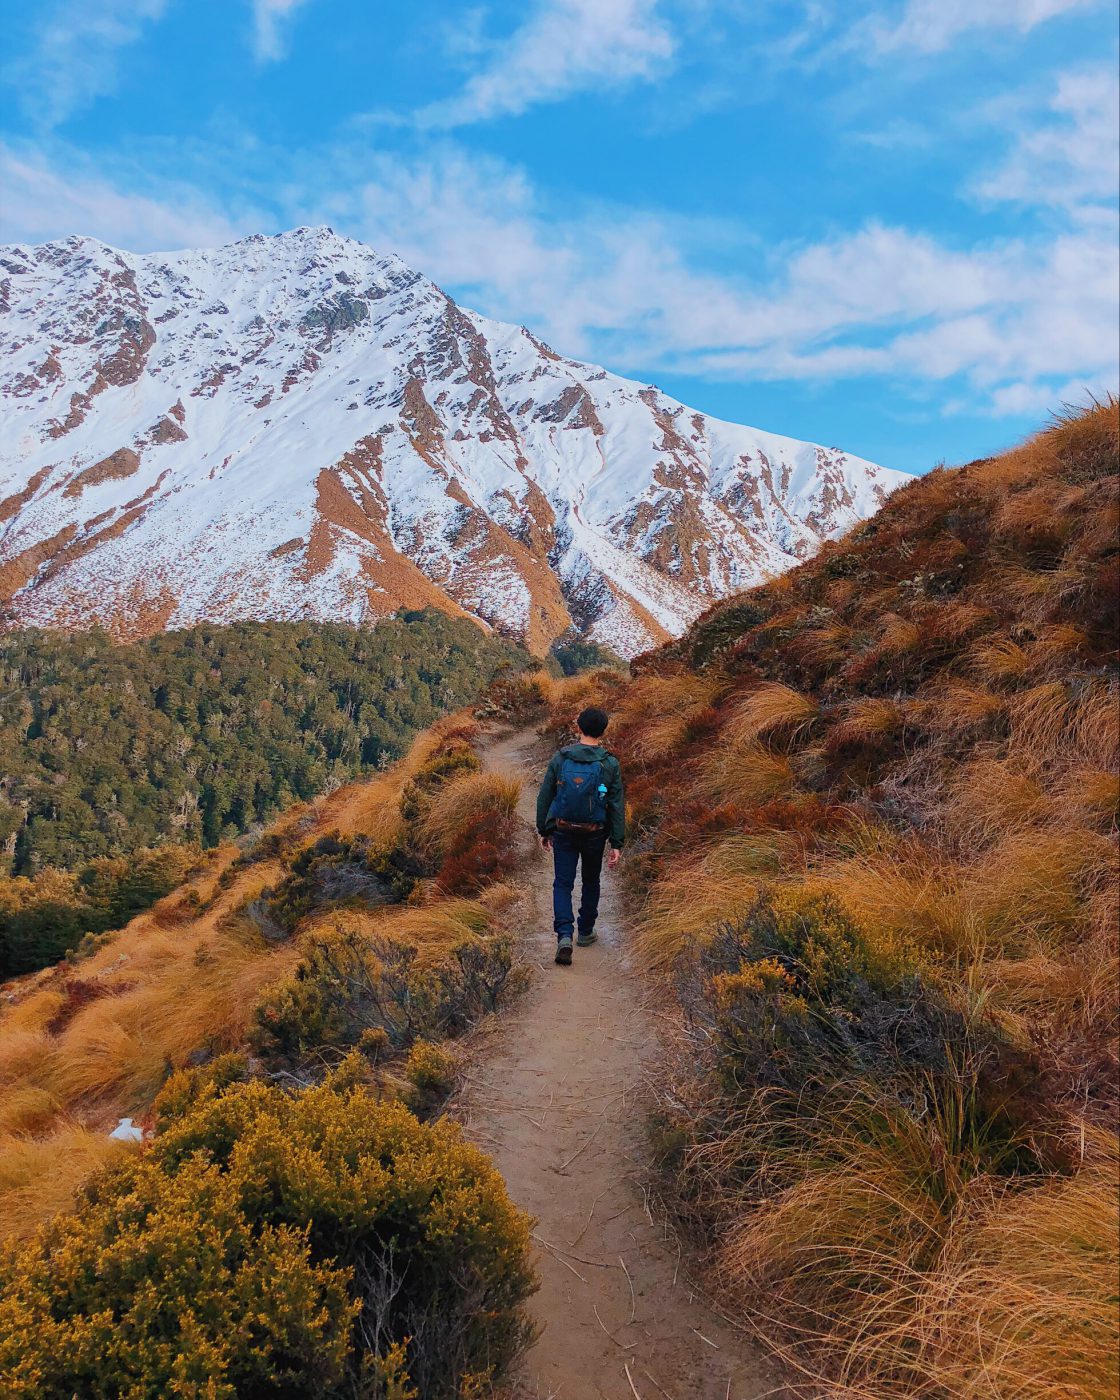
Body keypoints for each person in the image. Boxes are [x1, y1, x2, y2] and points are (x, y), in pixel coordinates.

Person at [536, 706, 625, 966]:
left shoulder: (561, 758)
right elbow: (616, 805)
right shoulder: (609, 763)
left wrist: (545, 829)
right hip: (595, 833)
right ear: (603, 731)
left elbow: (545, 796)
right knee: (590, 880)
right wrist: (617, 843)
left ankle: (564, 934)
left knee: (562, 883)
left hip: (563, 829)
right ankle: (585, 931)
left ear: (579, 727)